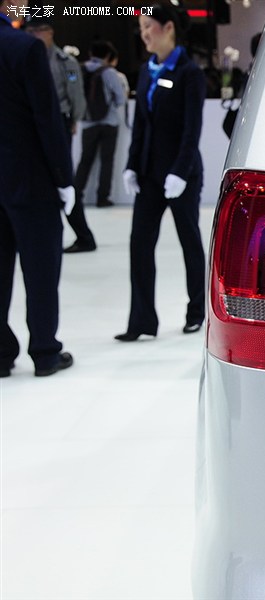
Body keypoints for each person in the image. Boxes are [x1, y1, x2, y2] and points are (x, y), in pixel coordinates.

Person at [116, 1, 206, 341]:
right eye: (140, 28)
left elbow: (191, 129)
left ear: (168, 28)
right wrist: (131, 165)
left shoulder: (189, 73)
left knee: (189, 240)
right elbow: (141, 124)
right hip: (148, 175)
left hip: (180, 176)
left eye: (148, 27)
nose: (143, 34)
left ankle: (196, 312)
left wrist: (180, 171)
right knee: (139, 244)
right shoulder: (146, 70)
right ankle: (141, 321)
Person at [1, 0, 75, 377]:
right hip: (29, 178)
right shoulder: (25, 48)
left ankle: (1, 352)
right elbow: (47, 119)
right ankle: (45, 351)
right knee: (41, 267)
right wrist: (64, 177)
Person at [65, 41, 127, 254]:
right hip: (109, 122)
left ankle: (77, 195)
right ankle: (103, 197)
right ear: (108, 55)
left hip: (87, 122)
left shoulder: (79, 69)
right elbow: (120, 98)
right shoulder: (109, 72)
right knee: (107, 160)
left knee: (85, 160)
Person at [24, 15, 85, 140]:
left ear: (50, 32)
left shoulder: (65, 62)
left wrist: (75, 118)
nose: (34, 35)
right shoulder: (21, 59)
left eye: (39, 30)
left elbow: (75, 92)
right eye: (30, 31)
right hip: (28, 118)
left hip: (58, 117)